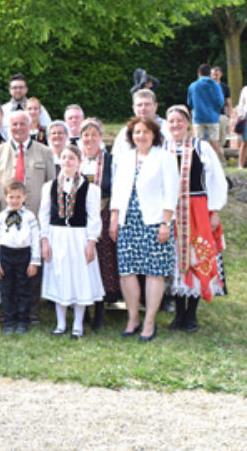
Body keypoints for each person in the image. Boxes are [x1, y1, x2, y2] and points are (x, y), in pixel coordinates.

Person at [109, 116, 179, 342]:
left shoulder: (165, 158)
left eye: (145, 132)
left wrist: (166, 222)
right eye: (137, 132)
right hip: (128, 223)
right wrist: (114, 219)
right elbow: (118, 191)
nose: (141, 136)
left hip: (154, 223)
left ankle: (149, 321)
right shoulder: (126, 158)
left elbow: (171, 192)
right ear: (131, 136)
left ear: (154, 135)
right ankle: (132, 319)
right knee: (127, 272)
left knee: (154, 273)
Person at [0, 109, 55, 325]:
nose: (18, 128)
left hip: (33, 219)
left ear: (30, 126)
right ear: (8, 127)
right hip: (5, 222)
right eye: (14, 125)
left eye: (22, 124)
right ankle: (9, 310)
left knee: (31, 269)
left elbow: (52, 186)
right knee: (7, 271)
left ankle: (31, 310)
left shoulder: (45, 152)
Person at [164, 105, 228, 333]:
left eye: (180, 121)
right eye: (171, 122)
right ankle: (178, 313)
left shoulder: (201, 148)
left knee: (198, 257)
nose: (175, 125)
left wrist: (214, 210)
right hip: (171, 211)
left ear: (188, 123)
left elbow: (216, 180)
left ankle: (191, 315)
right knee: (174, 260)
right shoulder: (163, 149)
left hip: (197, 209)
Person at [40, 145, 104, 339]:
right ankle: (60, 323)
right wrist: (44, 240)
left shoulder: (90, 188)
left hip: (79, 237)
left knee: (79, 277)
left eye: (72, 159)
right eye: (64, 158)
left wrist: (91, 242)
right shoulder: (49, 186)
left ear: (79, 162)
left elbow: (94, 217)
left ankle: (78, 324)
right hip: (56, 236)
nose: (67, 162)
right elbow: (43, 214)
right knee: (60, 276)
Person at [79, 118, 120, 329]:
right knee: (83, 260)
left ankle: (100, 311)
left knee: (102, 262)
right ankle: (84, 309)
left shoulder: (111, 161)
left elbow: (117, 191)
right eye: (86, 135)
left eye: (93, 135)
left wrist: (113, 217)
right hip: (80, 218)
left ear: (100, 137)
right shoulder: (76, 160)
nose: (89, 139)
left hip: (103, 215)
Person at [0, 180, 41, 335]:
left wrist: (34, 261)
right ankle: (9, 321)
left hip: (23, 254)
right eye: (11, 197)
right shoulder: (0, 217)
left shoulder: (30, 217)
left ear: (24, 197)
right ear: (5, 197)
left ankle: (23, 321)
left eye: (18, 197)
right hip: (5, 254)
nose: (15, 200)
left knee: (23, 288)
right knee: (7, 288)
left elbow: (35, 240)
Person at [111, 89, 170, 157]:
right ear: (133, 108)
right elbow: (116, 158)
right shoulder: (124, 132)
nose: (143, 108)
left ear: (156, 106)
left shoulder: (168, 128)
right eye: (139, 105)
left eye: (147, 104)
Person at [187, 63, 225, 157]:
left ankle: (199, 161)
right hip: (213, 117)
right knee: (214, 141)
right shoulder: (216, 85)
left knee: (198, 141)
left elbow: (189, 103)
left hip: (198, 117)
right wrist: (215, 110)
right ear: (209, 73)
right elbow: (220, 101)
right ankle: (214, 162)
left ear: (199, 73)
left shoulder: (193, 86)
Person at [235, 69, 247, 169]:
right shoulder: (245, 89)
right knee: (245, 141)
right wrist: (240, 116)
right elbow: (241, 104)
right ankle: (241, 165)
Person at [211, 66, 233, 149]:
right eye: (213, 74)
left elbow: (228, 102)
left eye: (217, 74)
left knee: (222, 138)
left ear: (221, 74)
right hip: (209, 116)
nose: (214, 76)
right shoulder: (207, 86)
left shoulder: (225, 87)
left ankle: (219, 156)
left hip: (221, 115)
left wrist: (229, 116)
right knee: (212, 138)